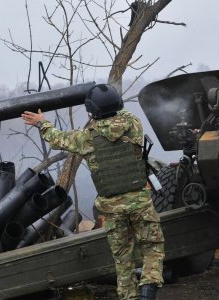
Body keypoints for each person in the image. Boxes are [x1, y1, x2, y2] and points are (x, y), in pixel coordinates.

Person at [21, 84, 165, 300]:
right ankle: (148, 291)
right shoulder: (133, 123)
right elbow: (121, 111)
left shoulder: (86, 138)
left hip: (112, 208)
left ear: (92, 111)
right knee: (152, 247)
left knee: (122, 259)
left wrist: (42, 124)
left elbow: (57, 138)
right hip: (140, 202)